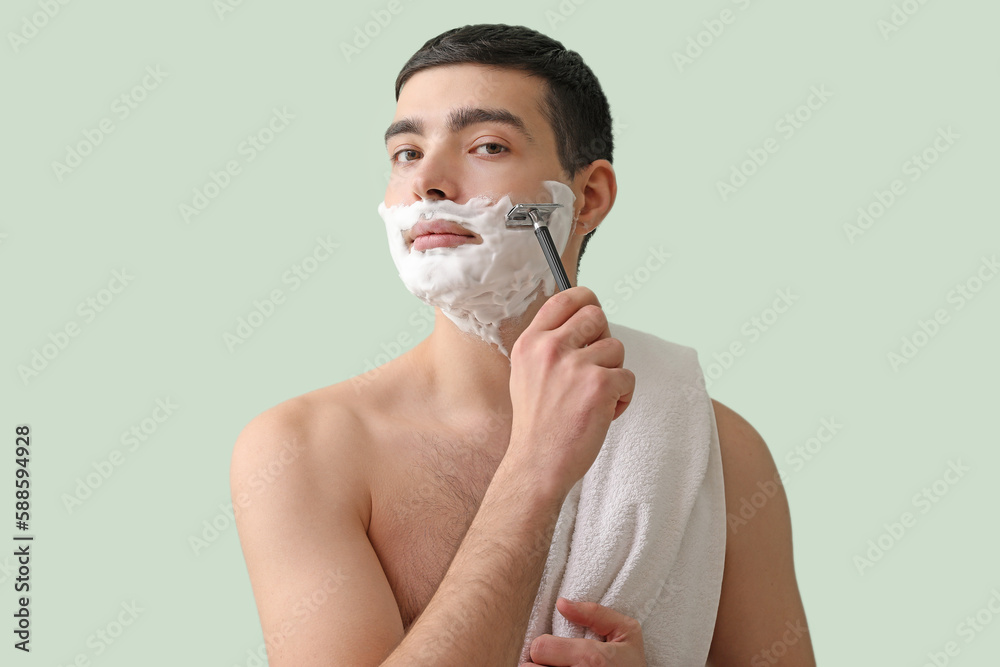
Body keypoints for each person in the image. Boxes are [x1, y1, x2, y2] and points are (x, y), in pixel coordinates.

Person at [230, 24, 816, 667]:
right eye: (406, 153)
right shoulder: (303, 450)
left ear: (587, 198)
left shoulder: (714, 450)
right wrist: (536, 464)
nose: (428, 180)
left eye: (485, 145)